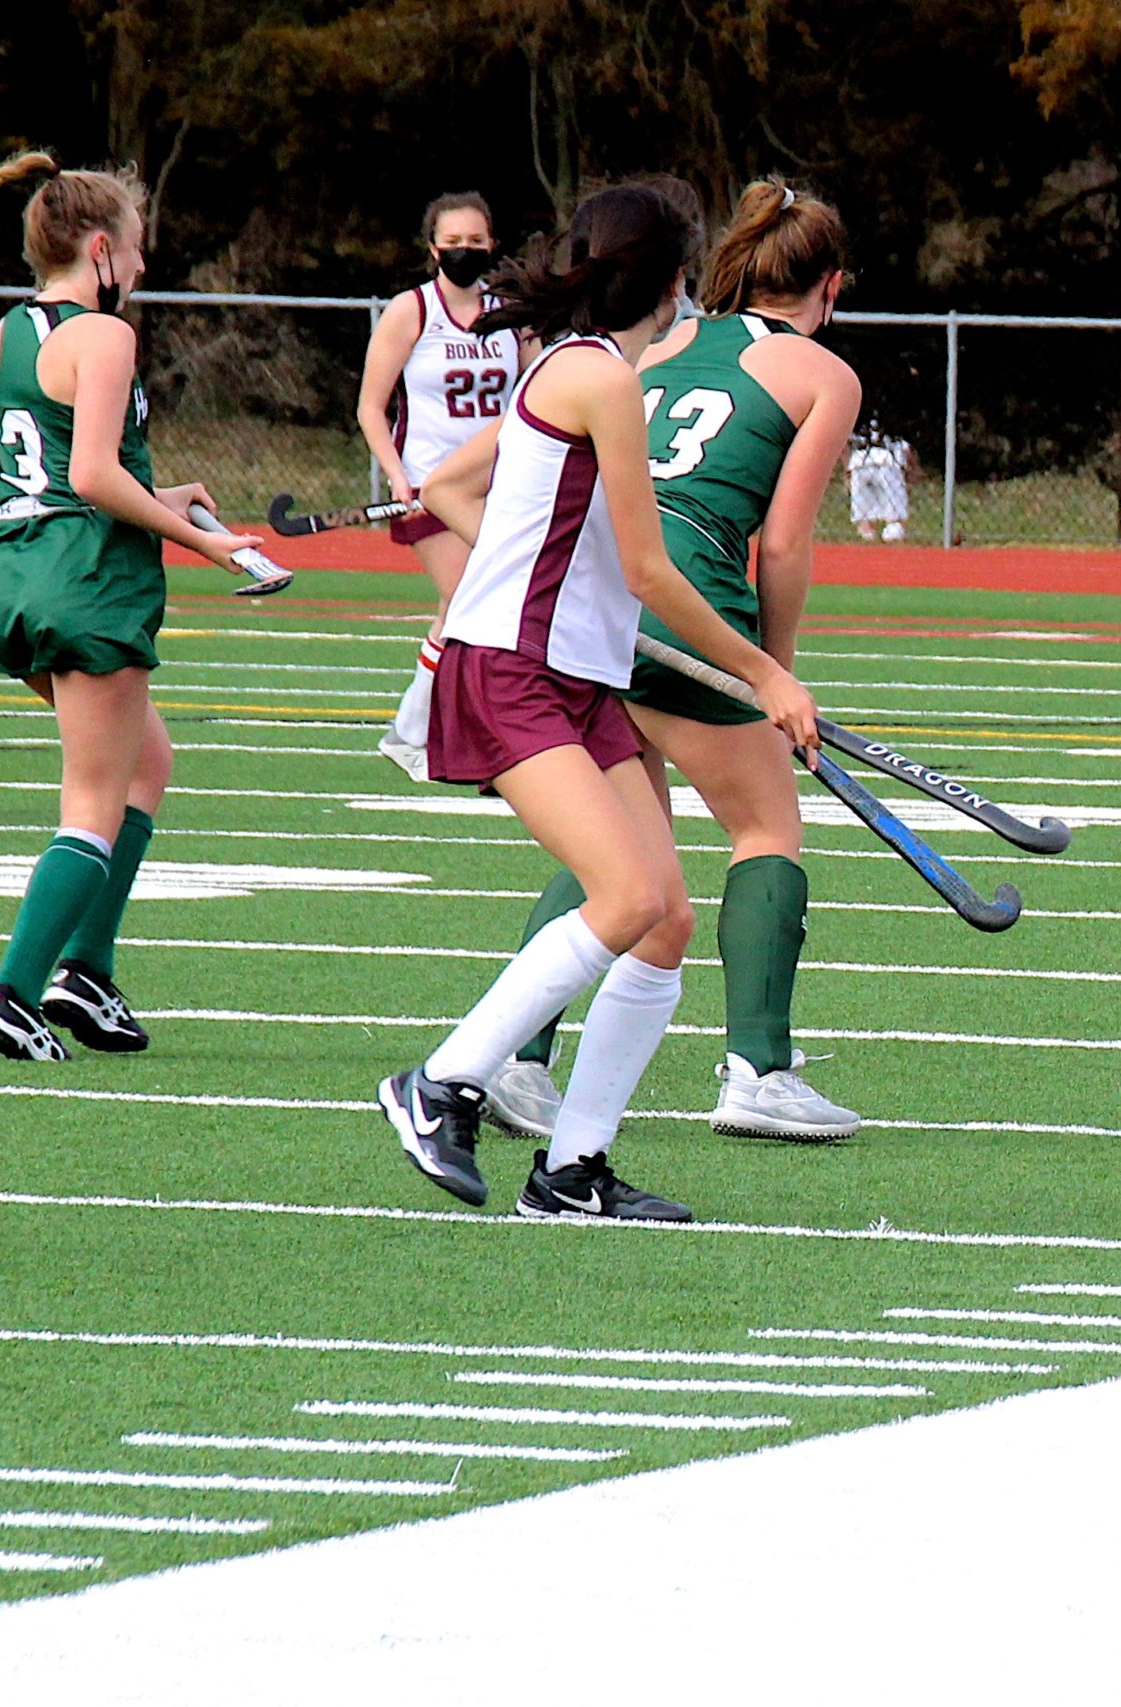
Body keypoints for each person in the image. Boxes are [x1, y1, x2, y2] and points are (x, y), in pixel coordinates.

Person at [376, 180, 818, 1222]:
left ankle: (572, 1169)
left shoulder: (593, 370)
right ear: (672, 284)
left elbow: (489, 506)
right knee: (621, 898)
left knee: (660, 920)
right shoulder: (597, 379)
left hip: (580, 680)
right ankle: (440, 1082)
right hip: (516, 674)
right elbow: (654, 572)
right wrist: (767, 675)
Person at [485, 178, 864, 1145]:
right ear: (825, 286)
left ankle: (520, 1064)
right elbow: (781, 545)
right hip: (688, 598)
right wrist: (773, 672)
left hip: (609, 601)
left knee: (624, 841)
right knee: (765, 825)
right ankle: (759, 1071)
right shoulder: (824, 375)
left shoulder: (666, 343)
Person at [0, 151, 269, 1059]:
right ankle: (13, 993)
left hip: (18, 566)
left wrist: (168, 498)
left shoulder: (17, 328)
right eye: (134, 250)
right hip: (84, 578)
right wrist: (210, 542)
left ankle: (85, 973)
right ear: (99, 249)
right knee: (93, 797)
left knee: (146, 762)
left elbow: (59, 470)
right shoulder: (106, 335)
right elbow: (93, 475)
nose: (141, 268)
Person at [355, 192, 527, 780]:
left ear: (492, 245)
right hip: (431, 489)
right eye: (452, 244)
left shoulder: (509, 311)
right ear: (432, 248)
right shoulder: (413, 312)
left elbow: (535, 393)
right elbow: (371, 408)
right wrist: (397, 475)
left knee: (489, 608)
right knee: (463, 602)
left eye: (475, 243)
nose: (463, 253)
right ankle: (413, 732)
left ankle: (456, 732)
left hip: (499, 487)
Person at [847, 415, 913, 540]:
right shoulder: (894, 425)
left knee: (864, 512)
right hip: (887, 462)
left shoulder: (856, 420)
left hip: (859, 462)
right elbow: (906, 449)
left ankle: (867, 533)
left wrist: (847, 469)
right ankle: (893, 531)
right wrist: (909, 472)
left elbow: (846, 447)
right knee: (895, 509)